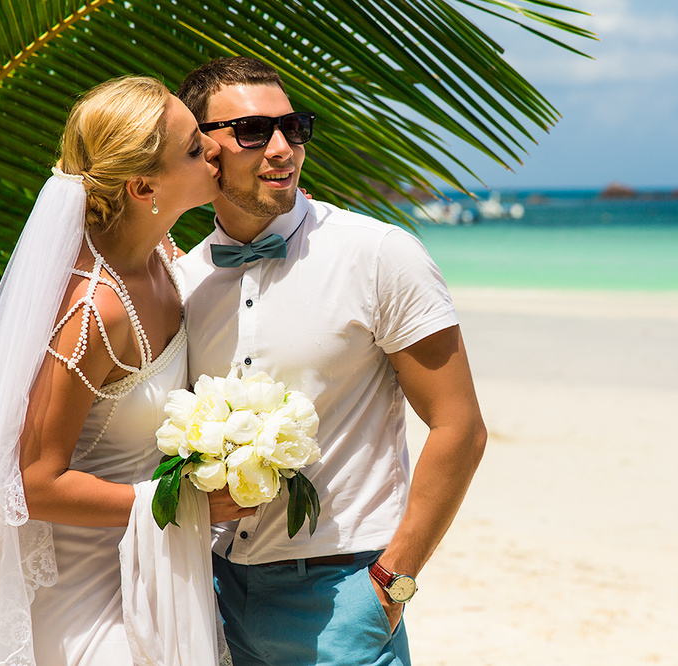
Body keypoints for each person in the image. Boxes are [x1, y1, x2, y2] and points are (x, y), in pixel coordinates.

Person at [175, 57, 487, 666]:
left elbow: (460, 427)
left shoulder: (378, 255)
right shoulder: (182, 281)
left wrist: (393, 582)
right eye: (251, 131)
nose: (280, 148)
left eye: (293, 128)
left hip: (343, 596)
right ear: (202, 146)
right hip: (205, 591)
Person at [0, 75, 250, 665]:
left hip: (154, 576)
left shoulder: (162, 256)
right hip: (88, 597)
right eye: (193, 146)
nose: (215, 148)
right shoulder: (90, 313)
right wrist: (181, 504)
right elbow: (32, 483)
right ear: (142, 186)